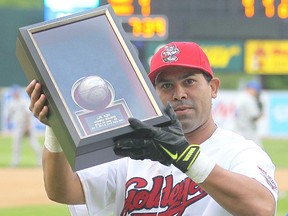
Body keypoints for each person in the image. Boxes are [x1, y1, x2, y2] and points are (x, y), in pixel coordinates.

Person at [26, 42, 278, 215]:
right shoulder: (131, 152)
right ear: (152, 95)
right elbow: (61, 190)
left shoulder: (240, 152)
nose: (179, 94)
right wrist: (55, 128)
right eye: (166, 86)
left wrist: (186, 157)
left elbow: (261, 208)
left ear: (213, 88)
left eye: (189, 81)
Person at [7, 85, 42, 167]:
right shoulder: (12, 102)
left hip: (27, 125)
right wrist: (9, 123)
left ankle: (40, 162)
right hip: (18, 126)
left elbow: (29, 114)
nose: (15, 94)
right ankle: (15, 163)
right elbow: (9, 115)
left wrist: (27, 126)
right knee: (16, 145)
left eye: (16, 92)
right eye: (14, 92)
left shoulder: (24, 101)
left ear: (18, 92)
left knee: (34, 144)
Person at [234, 80, 264, 147]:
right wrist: (261, 113)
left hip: (237, 130)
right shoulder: (249, 99)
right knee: (259, 152)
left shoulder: (240, 96)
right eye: (257, 91)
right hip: (247, 131)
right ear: (253, 89)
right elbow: (254, 116)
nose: (257, 93)